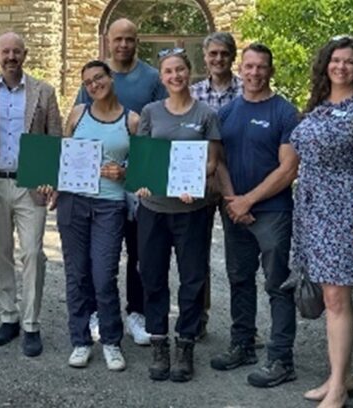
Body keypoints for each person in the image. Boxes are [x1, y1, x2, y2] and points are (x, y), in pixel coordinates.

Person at [290, 36, 353, 407]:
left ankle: (336, 391)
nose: (341, 67)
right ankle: (341, 376)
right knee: (332, 296)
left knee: (336, 298)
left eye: (349, 62)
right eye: (336, 60)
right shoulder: (318, 105)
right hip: (314, 211)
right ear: (326, 64)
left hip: (347, 211)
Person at [209, 44, 299, 388]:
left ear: (270, 71)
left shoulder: (284, 113)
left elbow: (288, 169)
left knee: (277, 285)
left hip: (272, 212)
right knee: (239, 278)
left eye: (261, 67)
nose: (255, 73)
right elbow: (218, 162)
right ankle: (243, 344)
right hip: (235, 210)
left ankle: (281, 358)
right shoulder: (228, 112)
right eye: (249, 66)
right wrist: (234, 200)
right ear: (240, 70)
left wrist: (249, 200)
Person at [74, 17, 166, 346]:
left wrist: (134, 169)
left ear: (136, 40)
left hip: (138, 183)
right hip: (96, 186)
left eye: (130, 38)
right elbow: (77, 132)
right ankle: (99, 312)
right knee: (99, 256)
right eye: (118, 39)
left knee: (140, 251)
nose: (124, 44)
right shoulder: (94, 78)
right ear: (107, 40)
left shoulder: (153, 78)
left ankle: (136, 313)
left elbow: (159, 128)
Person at [135, 49, 221, 382]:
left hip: (192, 210)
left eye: (180, 70)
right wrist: (141, 181)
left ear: (190, 72)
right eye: (169, 71)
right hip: (154, 209)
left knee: (192, 278)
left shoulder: (206, 114)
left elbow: (212, 162)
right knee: (153, 276)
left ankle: (185, 344)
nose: (175, 76)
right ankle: (159, 342)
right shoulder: (150, 112)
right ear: (162, 77)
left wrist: (196, 181)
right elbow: (142, 158)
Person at [0, 32, 63, 357]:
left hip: (31, 184)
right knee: (1, 253)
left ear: (25, 54)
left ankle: (31, 323)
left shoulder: (44, 91)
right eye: (5, 51)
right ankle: (8, 316)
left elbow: (54, 138)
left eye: (16, 51)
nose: (11, 56)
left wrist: (52, 180)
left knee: (32, 253)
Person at [59, 60, 139, 371]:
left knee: (104, 276)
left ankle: (110, 341)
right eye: (88, 82)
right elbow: (64, 155)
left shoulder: (131, 121)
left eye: (99, 78)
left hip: (109, 204)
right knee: (76, 275)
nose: (94, 85)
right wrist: (53, 184)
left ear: (111, 78)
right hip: (74, 202)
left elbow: (142, 169)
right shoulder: (78, 114)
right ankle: (80, 340)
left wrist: (125, 171)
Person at [190, 32, 243, 340]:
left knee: (239, 258)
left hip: (236, 184)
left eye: (224, 54)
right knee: (197, 255)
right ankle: (198, 319)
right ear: (205, 56)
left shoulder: (246, 91)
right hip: (200, 182)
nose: (219, 59)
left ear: (232, 56)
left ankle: (243, 325)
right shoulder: (194, 93)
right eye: (213, 54)